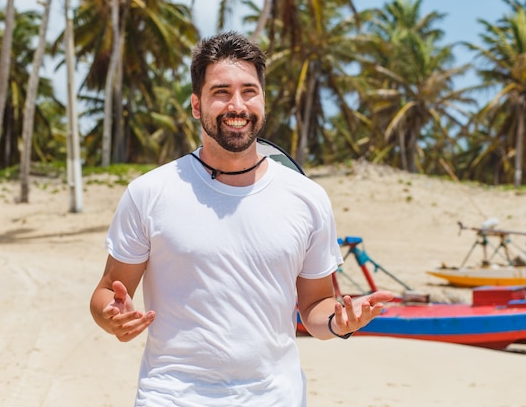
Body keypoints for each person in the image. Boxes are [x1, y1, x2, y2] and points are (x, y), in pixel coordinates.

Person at [90, 31, 394, 407]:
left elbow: (315, 305)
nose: (237, 105)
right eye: (220, 92)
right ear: (197, 105)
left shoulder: (306, 197)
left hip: (275, 397)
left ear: (263, 100)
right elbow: (108, 289)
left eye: (249, 91)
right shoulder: (150, 192)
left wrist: (340, 322)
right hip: (172, 395)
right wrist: (111, 315)